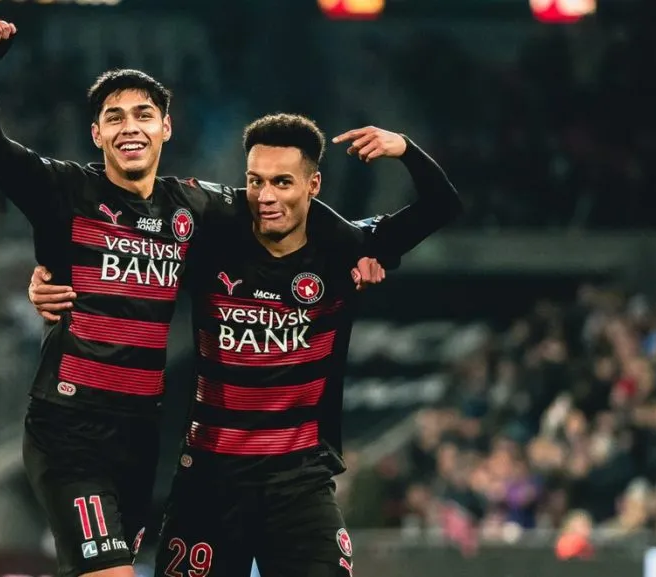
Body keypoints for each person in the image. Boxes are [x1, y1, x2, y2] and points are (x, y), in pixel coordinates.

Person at [0, 19, 383, 577]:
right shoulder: (63, 190)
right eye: (114, 117)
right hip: (69, 428)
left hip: (139, 439)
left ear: (166, 127)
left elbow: (284, 205)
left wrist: (356, 251)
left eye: (143, 115)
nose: (129, 127)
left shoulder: (194, 206)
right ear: (96, 134)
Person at [28, 114, 462, 576]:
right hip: (210, 482)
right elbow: (127, 241)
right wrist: (51, 275)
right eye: (255, 181)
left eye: (282, 182)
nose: (266, 197)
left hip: (299, 484)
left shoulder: (346, 248)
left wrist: (405, 149)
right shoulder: (209, 239)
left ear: (313, 184)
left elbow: (441, 206)